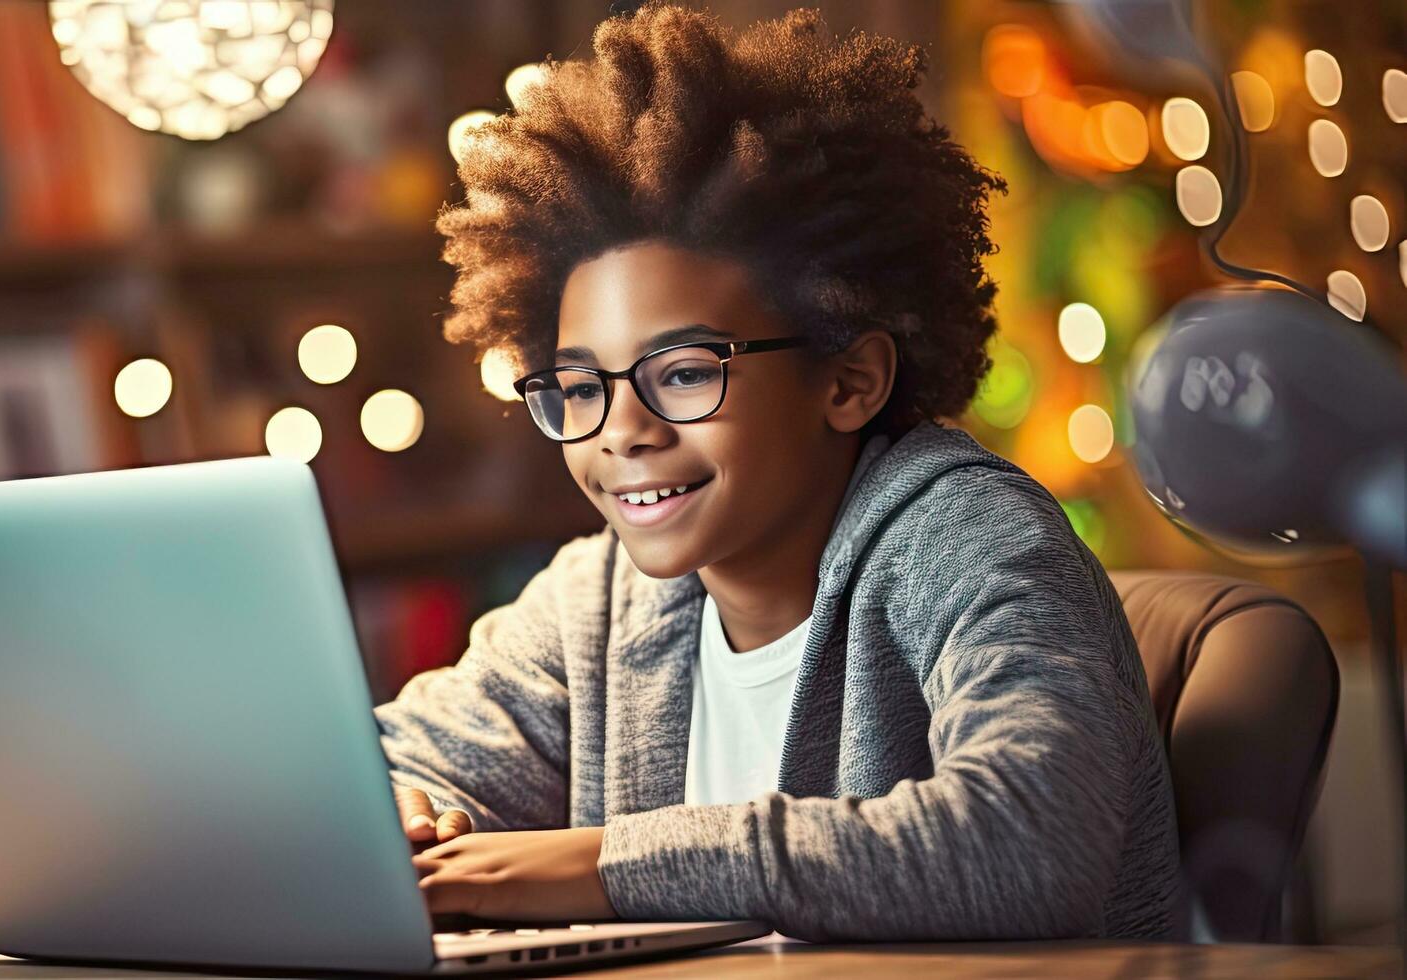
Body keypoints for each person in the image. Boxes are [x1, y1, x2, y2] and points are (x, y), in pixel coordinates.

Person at [377, 5, 1182, 941]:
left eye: (682, 374)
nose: (620, 432)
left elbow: (1030, 841)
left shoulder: (966, 539)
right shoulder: (594, 602)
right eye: (578, 386)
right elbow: (396, 763)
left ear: (848, 380)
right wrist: (393, 810)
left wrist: (606, 861)